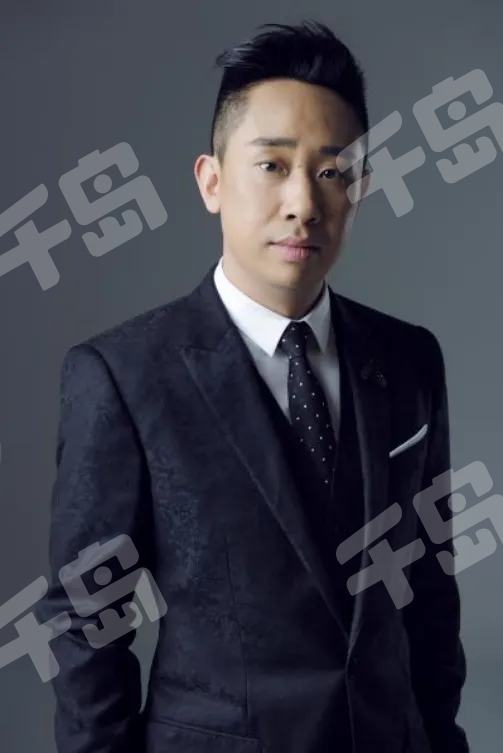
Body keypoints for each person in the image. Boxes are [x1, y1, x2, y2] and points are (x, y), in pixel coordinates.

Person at [36, 20, 470, 753]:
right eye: (271, 165)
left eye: (331, 171)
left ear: (359, 188)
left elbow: (428, 590)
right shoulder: (124, 374)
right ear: (211, 181)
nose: (303, 202)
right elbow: (86, 620)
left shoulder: (408, 359)